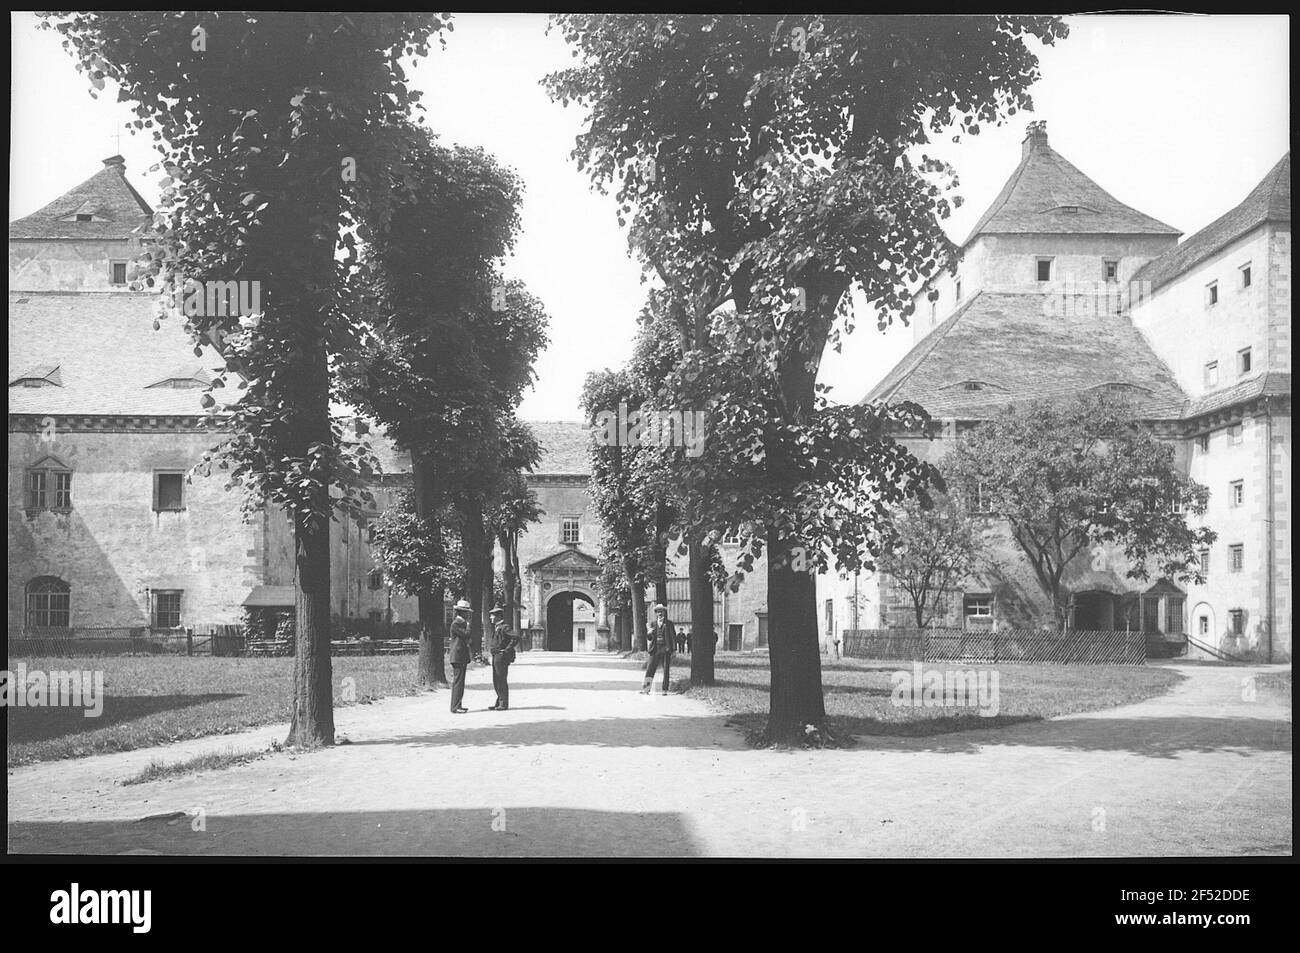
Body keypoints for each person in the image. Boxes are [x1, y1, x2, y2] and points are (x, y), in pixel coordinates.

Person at [640, 603, 676, 695]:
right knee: (650, 669)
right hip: (655, 649)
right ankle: (646, 689)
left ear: (664, 612)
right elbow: (649, 638)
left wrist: (674, 650)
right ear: (656, 613)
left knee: (666, 670)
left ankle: (664, 690)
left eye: (661, 611)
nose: (660, 613)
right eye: (658, 612)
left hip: (666, 649)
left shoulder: (669, 623)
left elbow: (673, 637)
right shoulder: (652, 624)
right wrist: (649, 633)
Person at [487, 604, 517, 711]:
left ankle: (503, 703)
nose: (490, 618)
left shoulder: (504, 627)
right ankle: (499, 701)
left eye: (492, 616)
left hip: (501, 656)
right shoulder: (497, 627)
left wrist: (507, 649)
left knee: (501, 679)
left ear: (498, 617)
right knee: (496, 680)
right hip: (496, 656)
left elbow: (515, 637)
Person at [448, 599, 472, 714]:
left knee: (460, 682)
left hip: (461, 656)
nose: (467, 615)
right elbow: (466, 634)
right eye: (466, 612)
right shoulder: (456, 624)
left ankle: (459, 704)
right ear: (461, 613)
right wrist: (468, 626)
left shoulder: (460, 623)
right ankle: (455, 707)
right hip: (457, 656)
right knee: (458, 682)